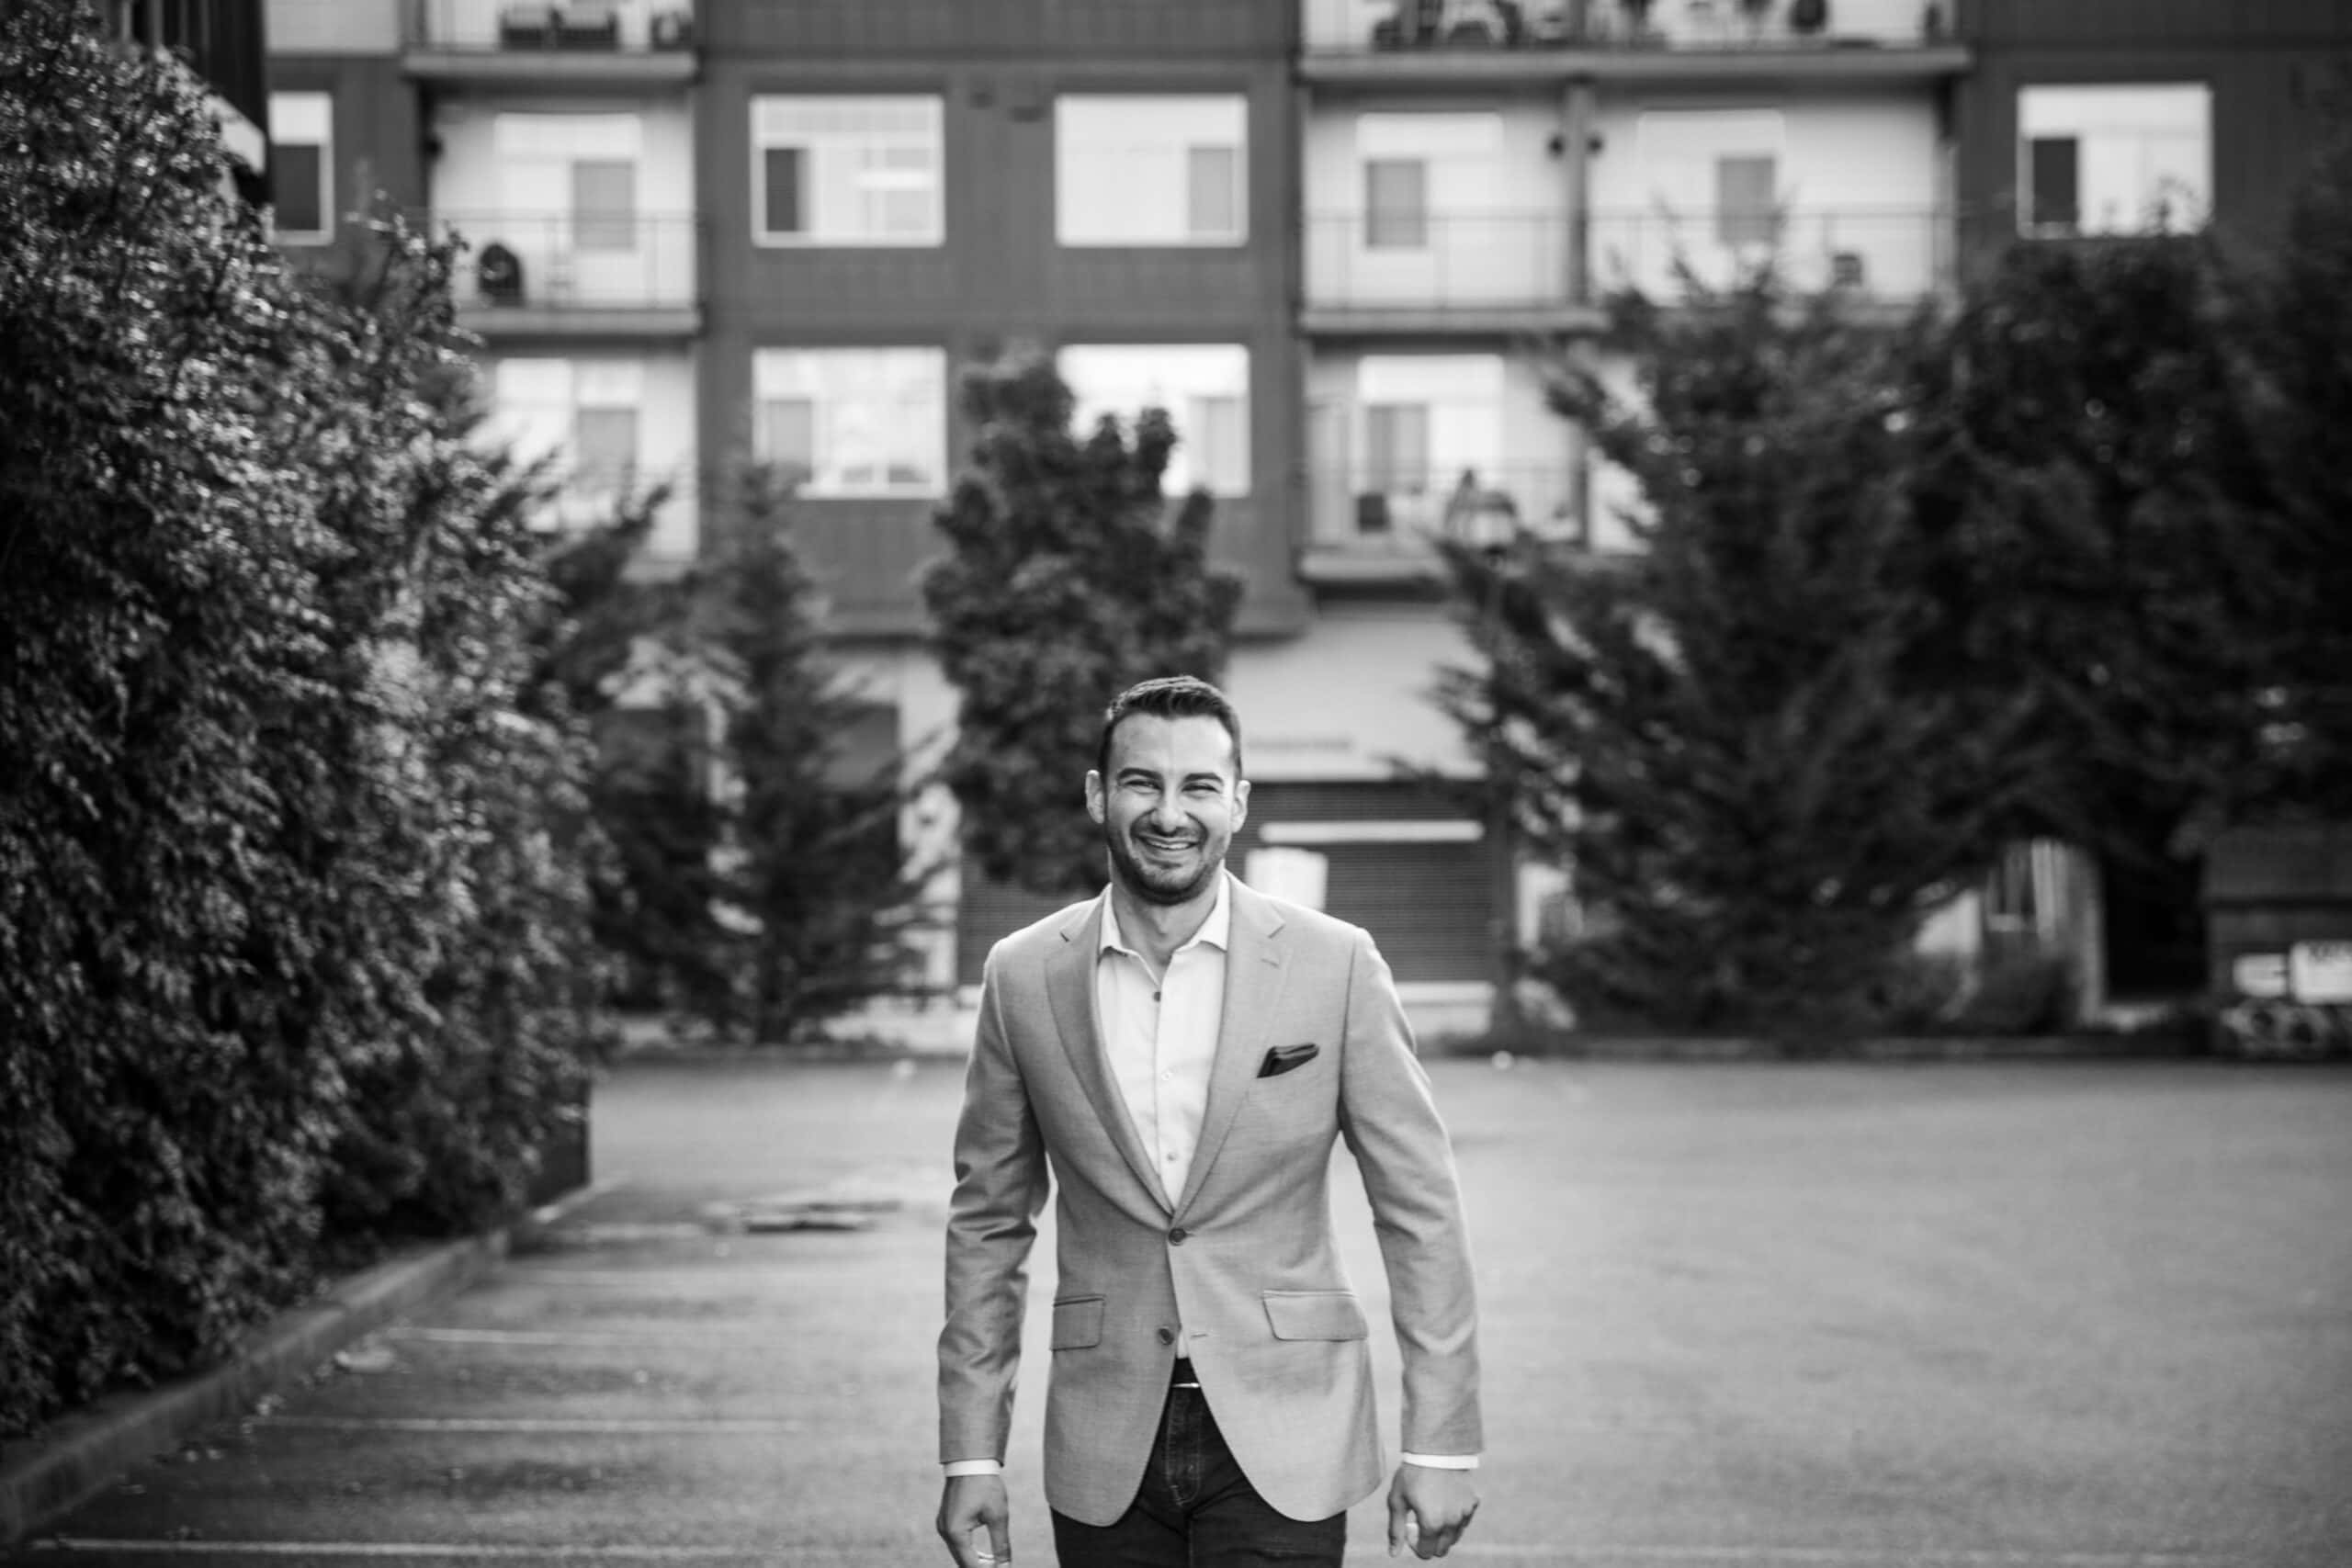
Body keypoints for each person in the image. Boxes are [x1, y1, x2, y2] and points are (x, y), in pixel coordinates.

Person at [935, 675, 1484, 1568]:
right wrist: (969, 1453)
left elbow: (1420, 1207)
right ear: (1096, 795)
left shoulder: (1336, 965)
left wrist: (1442, 1441)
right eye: (1141, 782)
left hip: (1288, 1433)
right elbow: (987, 1224)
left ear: (1237, 800)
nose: (1168, 812)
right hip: (1104, 1440)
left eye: (1198, 786)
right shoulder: (1022, 975)